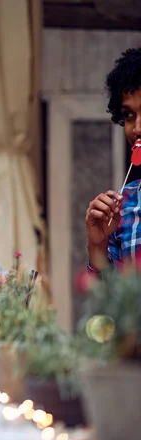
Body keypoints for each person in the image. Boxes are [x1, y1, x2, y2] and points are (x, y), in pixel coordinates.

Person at [86, 47, 141, 272]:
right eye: (129, 116)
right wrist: (97, 245)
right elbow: (106, 304)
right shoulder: (125, 204)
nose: (137, 128)